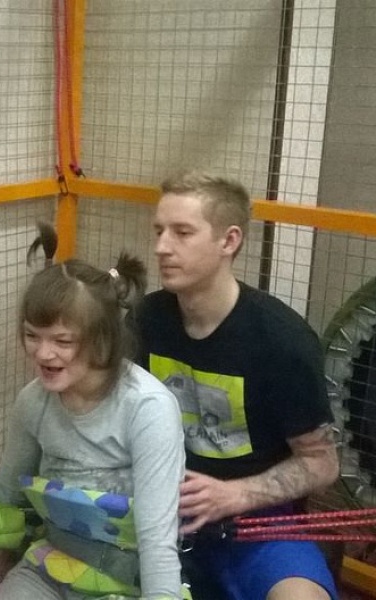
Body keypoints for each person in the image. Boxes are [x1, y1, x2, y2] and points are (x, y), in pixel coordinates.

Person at [0, 225, 186, 599]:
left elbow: (158, 540)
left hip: (126, 582)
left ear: (103, 340)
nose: (43, 354)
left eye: (62, 340)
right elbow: (5, 490)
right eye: (32, 335)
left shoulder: (148, 409)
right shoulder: (33, 401)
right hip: (51, 565)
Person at [129, 170, 340, 600]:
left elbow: (322, 464)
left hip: (258, 523)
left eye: (182, 232)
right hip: (161, 512)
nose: (162, 247)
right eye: (159, 231)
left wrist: (234, 494)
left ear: (229, 241)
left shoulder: (283, 340)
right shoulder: (145, 320)